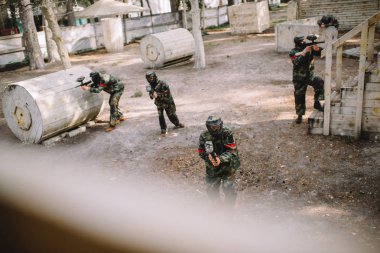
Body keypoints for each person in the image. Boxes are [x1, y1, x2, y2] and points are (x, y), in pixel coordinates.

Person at [198, 115, 240, 206]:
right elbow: (201, 151)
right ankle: (218, 208)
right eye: (213, 127)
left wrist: (220, 159)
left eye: (217, 126)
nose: (216, 129)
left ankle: (229, 211)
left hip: (228, 166)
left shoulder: (227, 132)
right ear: (208, 127)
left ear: (221, 125)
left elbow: (232, 151)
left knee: (229, 190)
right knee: (211, 191)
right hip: (212, 167)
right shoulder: (204, 136)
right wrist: (207, 157)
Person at [289, 35, 324, 124]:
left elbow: (321, 53)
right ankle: (300, 115)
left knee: (319, 81)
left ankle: (317, 102)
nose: (304, 42)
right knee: (299, 97)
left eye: (305, 41)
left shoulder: (309, 49)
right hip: (299, 78)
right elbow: (296, 62)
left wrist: (317, 49)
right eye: (302, 41)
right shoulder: (293, 52)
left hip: (309, 76)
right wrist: (304, 52)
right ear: (298, 43)